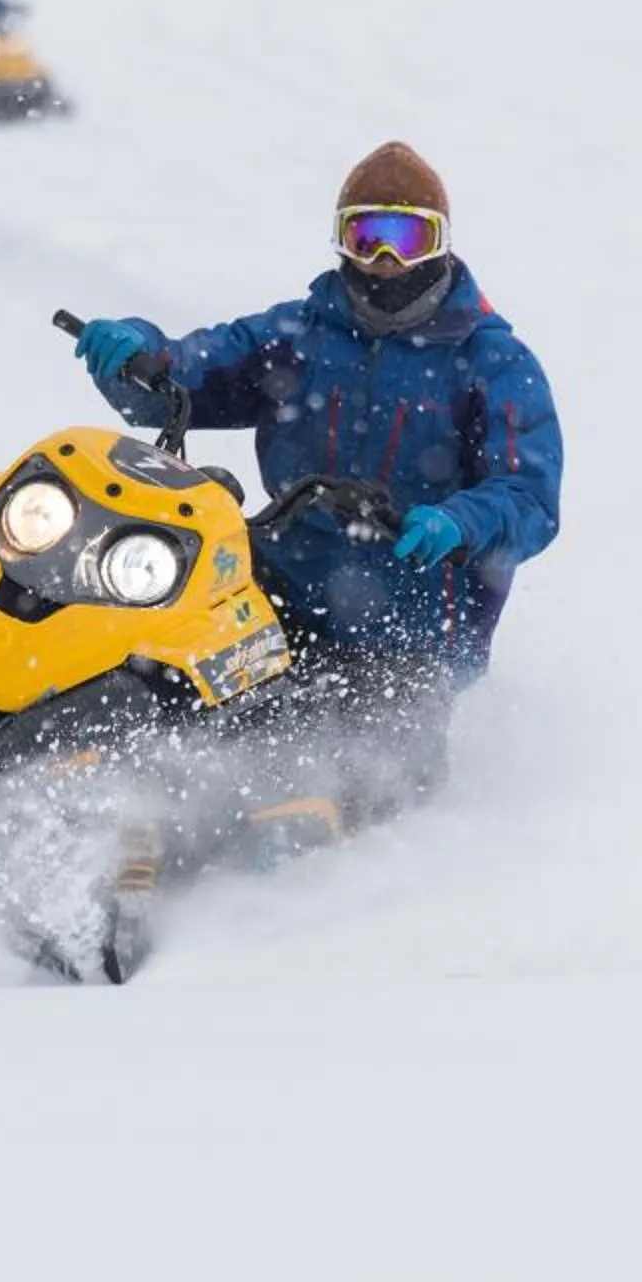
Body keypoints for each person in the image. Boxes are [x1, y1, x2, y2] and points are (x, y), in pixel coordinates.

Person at [66, 142, 563, 821]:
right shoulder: (299, 333)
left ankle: (305, 868)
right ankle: (115, 809)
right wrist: (138, 355)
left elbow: (528, 496)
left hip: (409, 626)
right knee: (162, 677)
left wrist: (458, 523)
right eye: (367, 235)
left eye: (407, 238)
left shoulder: (493, 362)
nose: (384, 261)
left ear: (439, 246)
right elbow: (187, 374)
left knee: (359, 760)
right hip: (277, 590)